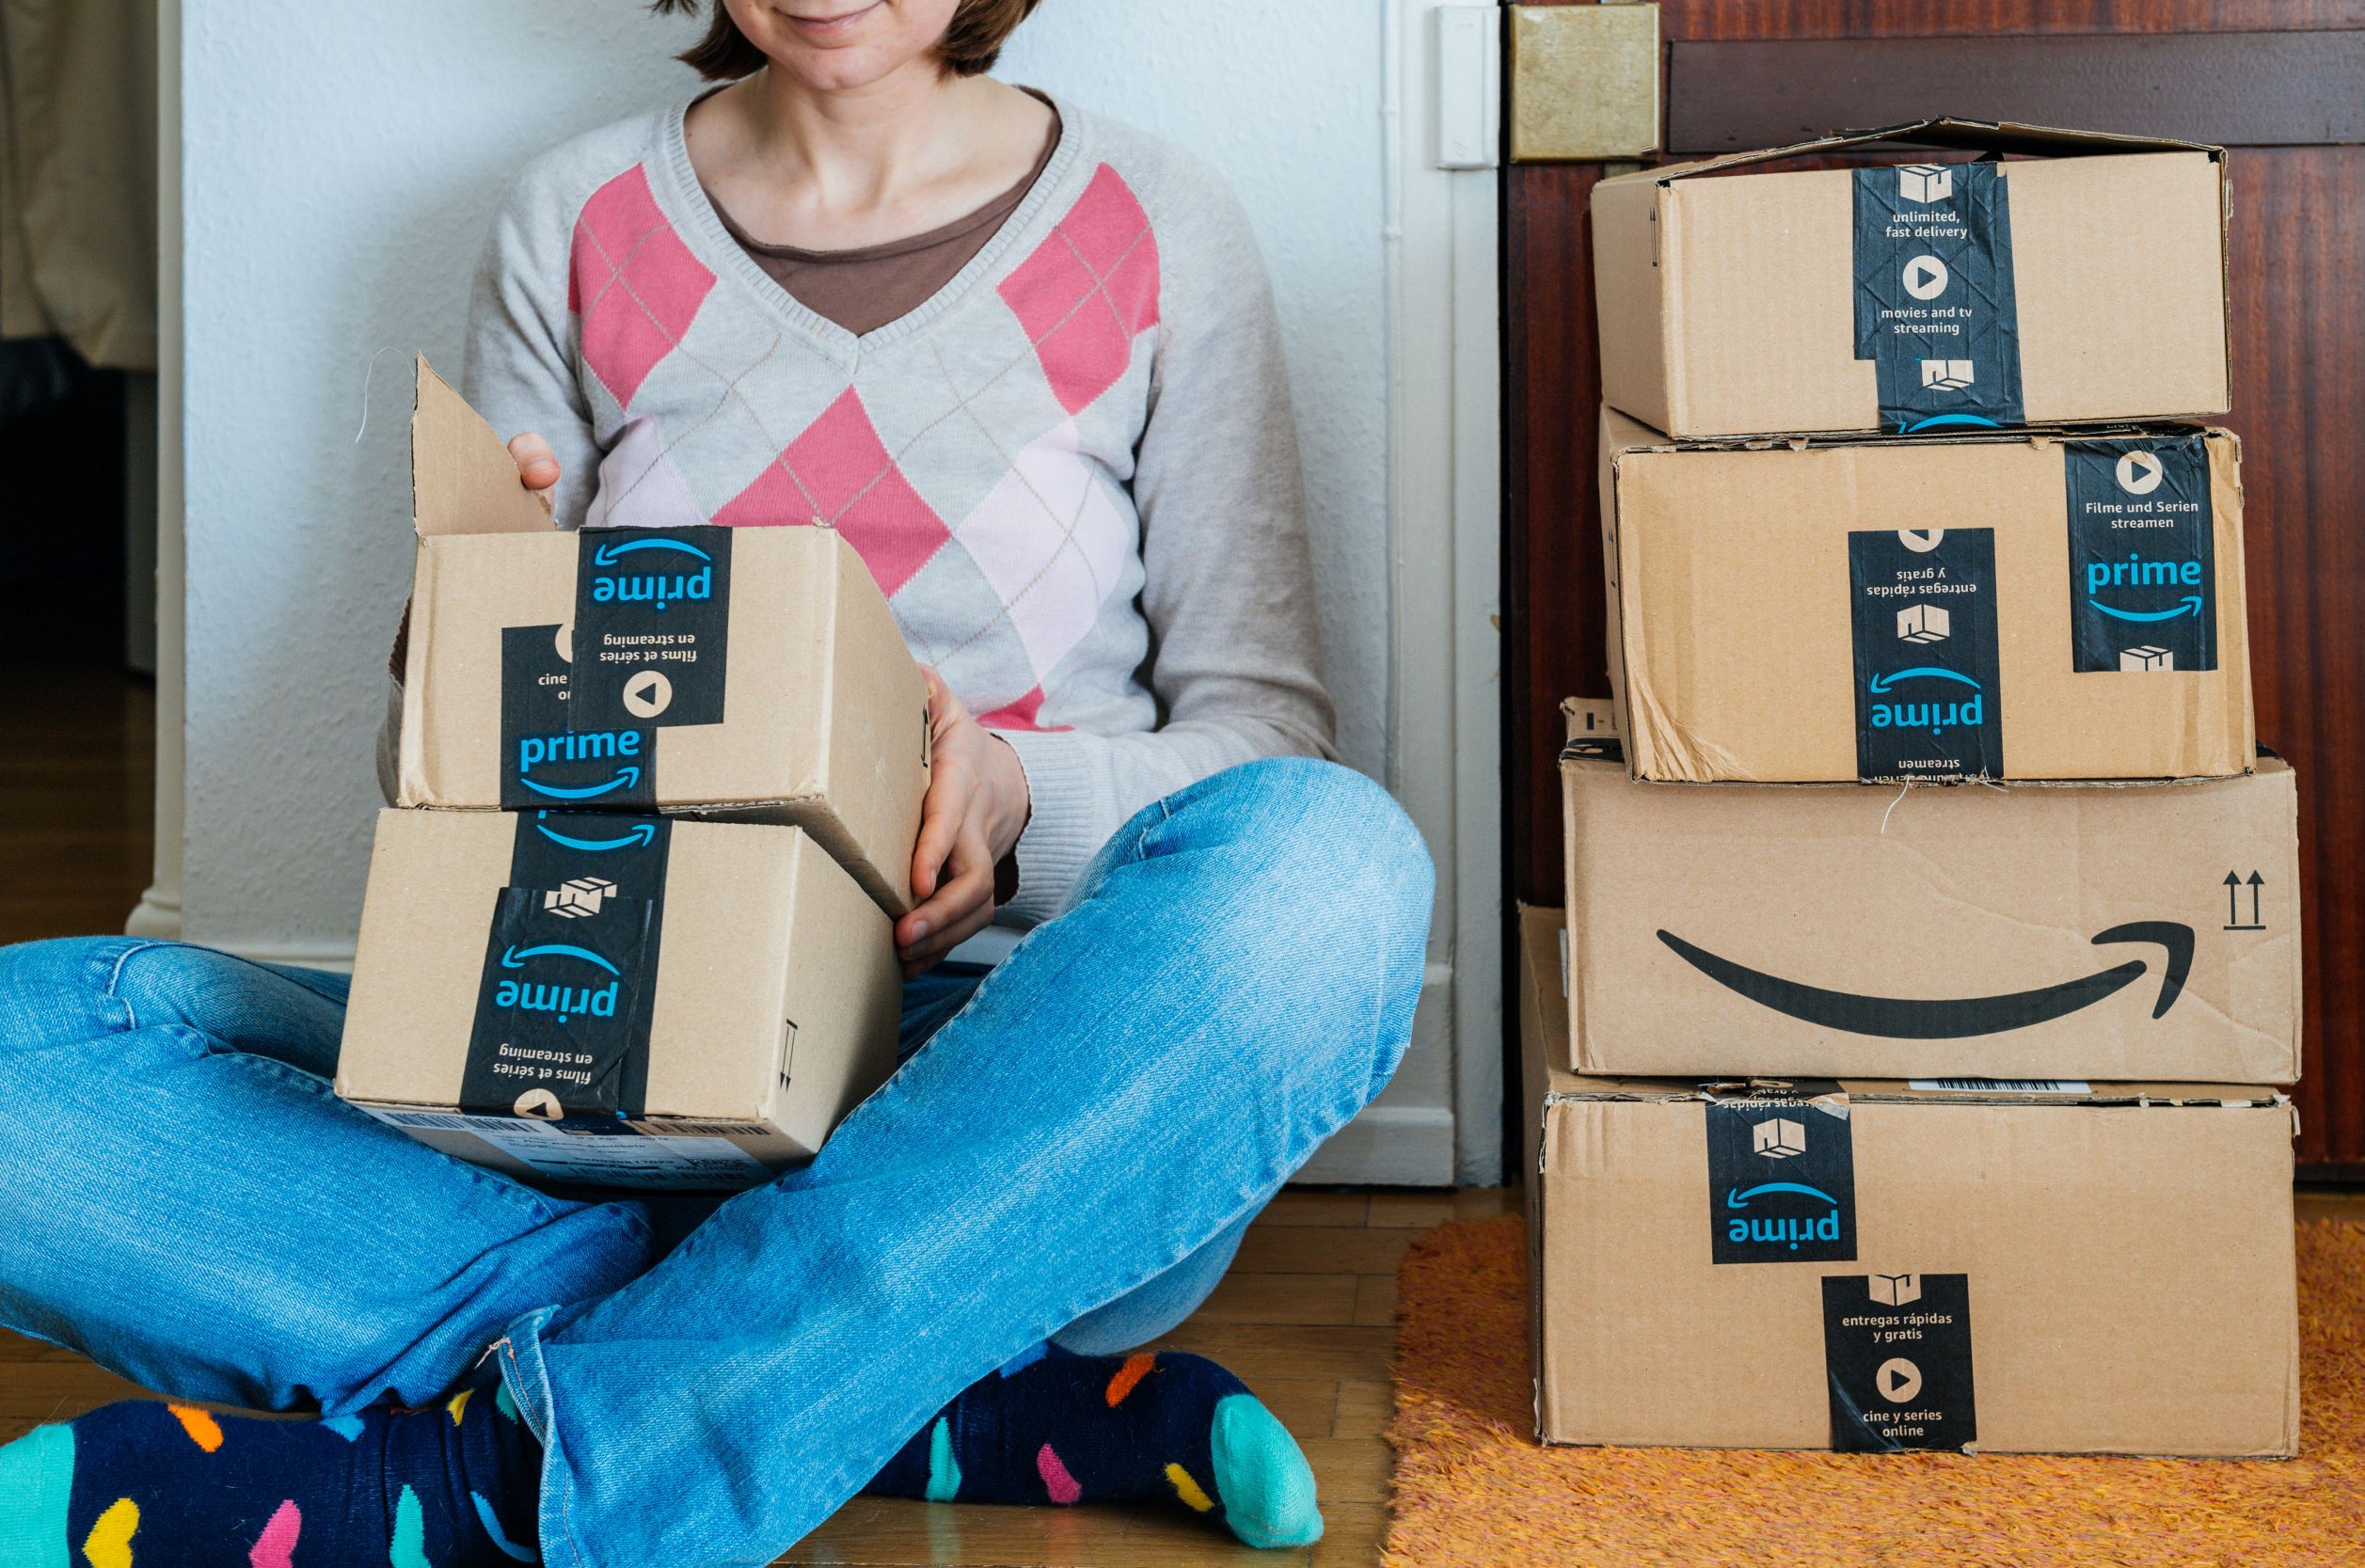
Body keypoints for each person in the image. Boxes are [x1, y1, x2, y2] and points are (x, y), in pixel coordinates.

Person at [0, 3, 1432, 1564]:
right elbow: (454, 802)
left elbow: (1263, 743)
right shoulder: (574, 215)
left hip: (1004, 1094)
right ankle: (907, 1389)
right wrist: (472, 655)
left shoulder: (1155, 222)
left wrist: (1018, 792)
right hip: (603, 1055)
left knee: (1335, 868)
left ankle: (479, 1490)